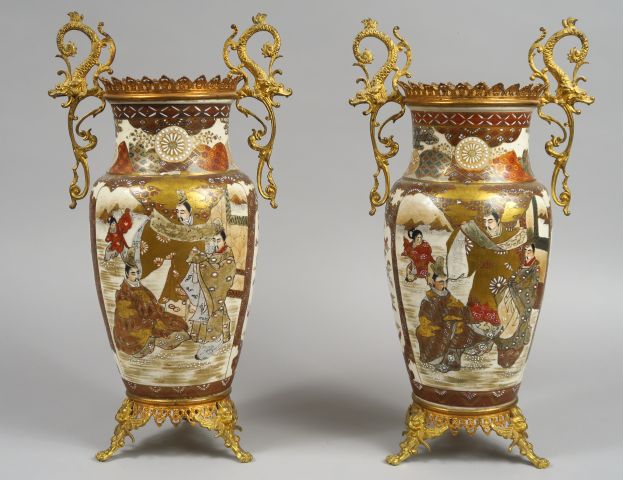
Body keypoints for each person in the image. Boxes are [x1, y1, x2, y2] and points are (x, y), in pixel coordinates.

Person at [446, 203, 527, 328]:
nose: (487, 224)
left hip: (503, 281)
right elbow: (471, 256)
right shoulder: (480, 237)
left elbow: (518, 258)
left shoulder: (512, 236)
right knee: (476, 316)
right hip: (481, 280)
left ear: (498, 220)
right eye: (484, 221)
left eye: (490, 221)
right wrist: (461, 232)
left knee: (500, 315)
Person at [415, 258, 487, 372]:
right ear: (433, 282)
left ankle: (455, 357)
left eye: (445, 281)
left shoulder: (447, 295)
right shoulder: (428, 300)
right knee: (449, 331)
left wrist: (466, 314)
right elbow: (425, 320)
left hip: (449, 326)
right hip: (433, 330)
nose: (444, 284)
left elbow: (457, 306)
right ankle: (442, 362)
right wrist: (447, 319)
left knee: (464, 327)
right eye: (441, 282)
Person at [112, 257, 190, 358]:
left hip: (148, 317)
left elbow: (153, 304)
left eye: (138, 273)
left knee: (173, 324)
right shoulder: (124, 293)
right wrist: (146, 321)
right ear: (127, 274)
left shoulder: (141, 287)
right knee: (144, 334)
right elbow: (126, 313)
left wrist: (156, 313)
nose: (136, 276)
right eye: (133, 273)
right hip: (132, 323)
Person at [182, 228, 236, 361]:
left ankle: (213, 341)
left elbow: (225, 275)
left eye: (218, 240)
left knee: (215, 311)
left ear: (224, 241)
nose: (216, 243)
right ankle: (205, 340)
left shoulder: (227, 256)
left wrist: (206, 263)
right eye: (213, 240)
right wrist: (202, 261)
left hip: (217, 292)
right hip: (206, 293)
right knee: (206, 309)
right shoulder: (206, 255)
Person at [493, 243, 541, 367]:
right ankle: (505, 339)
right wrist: (508, 285)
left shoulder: (535, 267)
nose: (527, 253)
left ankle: (515, 343)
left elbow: (533, 284)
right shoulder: (522, 265)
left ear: (533, 252)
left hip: (524, 297)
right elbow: (512, 278)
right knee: (504, 309)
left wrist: (517, 287)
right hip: (514, 293)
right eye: (526, 251)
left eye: (529, 251)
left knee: (520, 318)